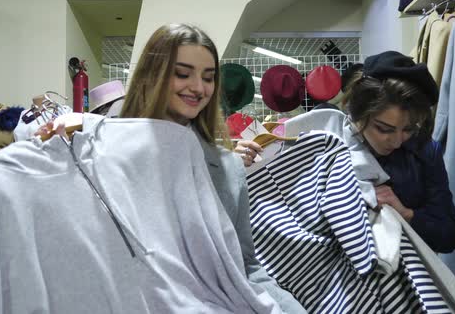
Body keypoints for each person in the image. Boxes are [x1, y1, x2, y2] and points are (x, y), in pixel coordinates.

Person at [40, 23, 306, 313]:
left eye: (208, 77)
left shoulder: (227, 168)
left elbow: (244, 265)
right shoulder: (100, 153)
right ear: (152, 76)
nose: (198, 87)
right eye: (182, 74)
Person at [236, 51, 455, 254]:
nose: (396, 141)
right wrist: (241, 164)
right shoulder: (323, 138)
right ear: (358, 113)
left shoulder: (424, 150)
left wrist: (406, 214)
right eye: (384, 129)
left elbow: (449, 235)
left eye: (408, 129)